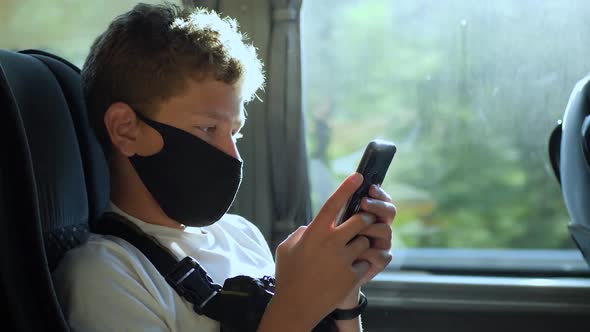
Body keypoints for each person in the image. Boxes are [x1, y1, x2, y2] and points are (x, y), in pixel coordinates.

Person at [52, 3, 396, 331]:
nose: (232, 156)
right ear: (126, 128)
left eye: (235, 132)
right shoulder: (103, 274)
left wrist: (341, 294)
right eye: (207, 130)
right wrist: (297, 303)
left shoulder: (241, 235)